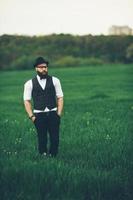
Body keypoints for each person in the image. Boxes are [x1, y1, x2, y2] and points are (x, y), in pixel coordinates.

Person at [23, 57, 64, 157]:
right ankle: (43, 155)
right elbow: (27, 101)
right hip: (39, 115)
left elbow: (60, 97)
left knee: (55, 137)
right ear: (36, 68)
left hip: (53, 113)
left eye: (45, 67)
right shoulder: (29, 83)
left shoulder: (55, 80)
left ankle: (53, 155)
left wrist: (58, 114)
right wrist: (32, 116)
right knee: (42, 137)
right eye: (41, 67)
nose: (44, 69)